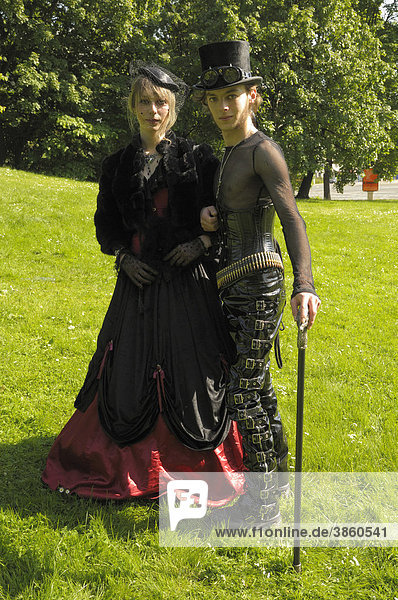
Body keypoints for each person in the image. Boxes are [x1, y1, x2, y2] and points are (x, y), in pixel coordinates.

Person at [41, 62, 245, 503]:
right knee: (126, 371)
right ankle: (125, 466)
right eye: (145, 101)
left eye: (161, 102)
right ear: (132, 105)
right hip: (137, 287)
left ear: (173, 107)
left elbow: (223, 218)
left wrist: (201, 244)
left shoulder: (199, 159)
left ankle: (193, 466)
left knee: (190, 372)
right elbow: (106, 225)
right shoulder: (116, 165)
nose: (153, 110)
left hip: (188, 286)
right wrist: (121, 258)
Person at [195, 41, 321, 523]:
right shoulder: (226, 154)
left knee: (241, 392)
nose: (223, 106)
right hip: (230, 283)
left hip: (261, 284)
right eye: (214, 99)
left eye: (233, 95)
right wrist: (210, 216)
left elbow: (291, 218)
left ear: (253, 95)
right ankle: (279, 479)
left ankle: (262, 505)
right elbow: (232, 210)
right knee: (257, 385)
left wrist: (304, 285)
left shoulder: (263, 151)